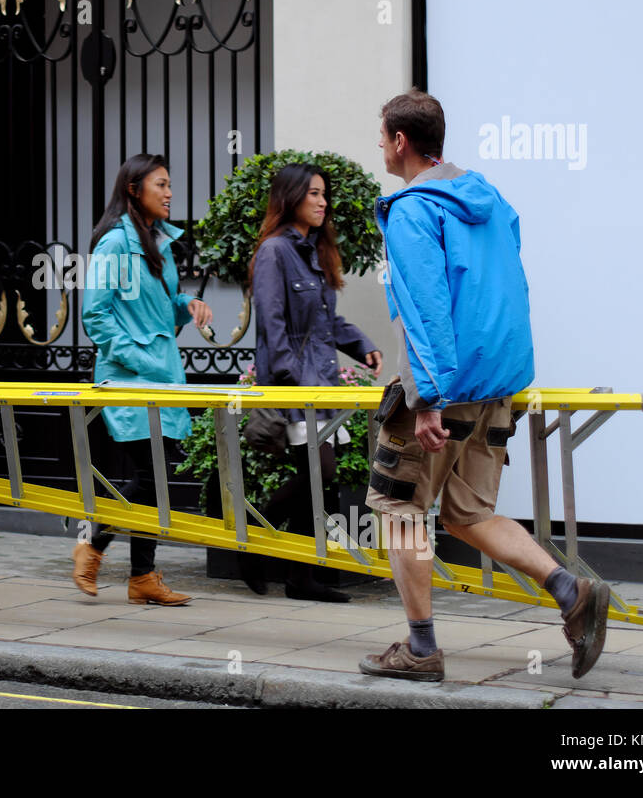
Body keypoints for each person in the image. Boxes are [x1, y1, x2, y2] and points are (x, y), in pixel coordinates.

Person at [359, 89, 609, 681]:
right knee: (468, 514)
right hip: (497, 385)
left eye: (382, 135)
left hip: (442, 390)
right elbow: (505, 286)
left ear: (400, 141)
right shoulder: (490, 199)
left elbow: (424, 309)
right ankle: (570, 590)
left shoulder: (413, 209)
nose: (378, 145)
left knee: (397, 507)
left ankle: (421, 650)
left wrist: (426, 400)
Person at [71, 154, 213, 606]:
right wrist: (137, 359)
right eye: (161, 184)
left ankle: (142, 577)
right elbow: (95, 314)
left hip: (161, 378)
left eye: (170, 185)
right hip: (129, 379)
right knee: (151, 476)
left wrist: (186, 306)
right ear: (134, 189)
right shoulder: (115, 244)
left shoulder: (158, 243)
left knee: (156, 477)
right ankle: (92, 546)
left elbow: (162, 305)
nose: (170, 193)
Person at [247, 162, 382, 602]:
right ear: (291, 198)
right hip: (296, 384)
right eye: (314, 194)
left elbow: (325, 320)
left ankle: (299, 577)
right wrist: (293, 384)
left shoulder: (312, 250)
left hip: (319, 382)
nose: (323, 202)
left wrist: (361, 345)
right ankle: (251, 533)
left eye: (325, 194)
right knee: (318, 470)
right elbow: (272, 324)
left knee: (320, 477)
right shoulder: (274, 252)